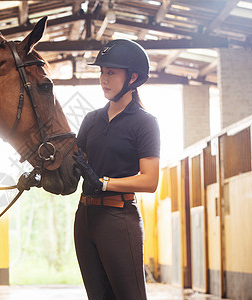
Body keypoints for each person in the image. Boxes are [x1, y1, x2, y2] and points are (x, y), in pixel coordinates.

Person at [73, 39, 160, 300]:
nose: (103, 79)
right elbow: (77, 164)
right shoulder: (91, 120)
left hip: (119, 218)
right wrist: (42, 171)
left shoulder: (145, 123)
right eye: (101, 72)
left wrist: (105, 183)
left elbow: (150, 180)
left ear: (132, 77)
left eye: (111, 72)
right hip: (85, 218)